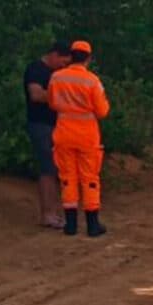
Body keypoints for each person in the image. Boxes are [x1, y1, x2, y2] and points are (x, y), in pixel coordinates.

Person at [46, 40, 110, 237]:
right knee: (89, 178)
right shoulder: (92, 81)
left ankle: (71, 225)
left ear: (71, 56)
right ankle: (92, 224)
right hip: (87, 135)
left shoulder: (56, 77)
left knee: (67, 178)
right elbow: (102, 111)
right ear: (88, 58)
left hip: (64, 132)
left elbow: (52, 103)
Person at [23, 41, 72, 227]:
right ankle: (48, 214)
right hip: (41, 125)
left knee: (56, 169)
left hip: (57, 125)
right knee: (48, 169)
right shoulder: (36, 69)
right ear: (54, 54)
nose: (64, 66)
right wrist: (61, 97)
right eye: (62, 61)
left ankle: (54, 212)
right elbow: (36, 95)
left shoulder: (56, 73)